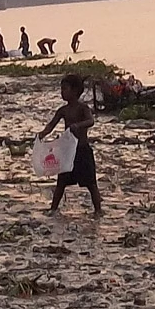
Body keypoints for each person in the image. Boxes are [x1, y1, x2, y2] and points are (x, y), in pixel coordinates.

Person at [39, 73, 103, 216]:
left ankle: (98, 210)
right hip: (68, 152)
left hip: (82, 150)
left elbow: (91, 121)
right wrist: (42, 134)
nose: (62, 92)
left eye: (65, 89)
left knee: (91, 183)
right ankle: (53, 209)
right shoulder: (63, 110)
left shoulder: (83, 108)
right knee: (61, 183)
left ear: (75, 91)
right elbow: (51, 125)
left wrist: (78, 125)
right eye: (61, 89)